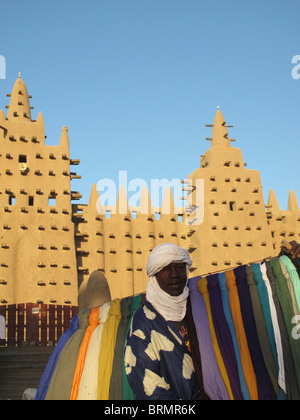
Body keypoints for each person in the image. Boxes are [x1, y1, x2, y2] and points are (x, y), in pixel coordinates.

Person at [124, 243, 204, 400]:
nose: (174, 274)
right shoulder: (143, 321)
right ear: (155, 275)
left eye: (180, 267)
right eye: (166, 269)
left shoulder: (199, 306)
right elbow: (146, 383)